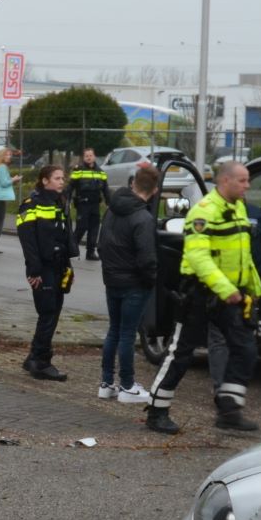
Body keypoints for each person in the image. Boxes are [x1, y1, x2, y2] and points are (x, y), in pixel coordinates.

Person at [142, 160, 261, 435]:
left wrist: (253, 290)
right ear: (225, 181)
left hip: (230, 296)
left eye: (247, 180)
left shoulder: (238, 208)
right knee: (181, 354)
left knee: (245, 349)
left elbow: (243, 257)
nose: (247, 186)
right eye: (242, 180)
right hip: (200, 294)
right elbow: (198, 257)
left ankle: (229, 410)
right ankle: (157, 410)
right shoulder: (204, 212)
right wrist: (226, 289)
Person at [98, 161, 160, 403]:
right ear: (155, 190)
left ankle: (106, 383)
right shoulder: (143, 218)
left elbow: (101, 244)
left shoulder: (112, 209)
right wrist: (151, 280)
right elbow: (147, 258)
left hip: (112, 279)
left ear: (133, 183)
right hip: (134, 283)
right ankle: (127, 386)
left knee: (114, 330)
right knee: (127, 334)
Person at [16, 163, 75, 381]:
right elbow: (28, 242)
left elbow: (63, 237)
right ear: (44, 180)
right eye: (57, 178)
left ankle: (33, 357)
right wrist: (34, 271)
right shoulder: (30, 205)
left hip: (58, 266)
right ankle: (41, 363)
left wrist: (68, 267)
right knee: (48, 314)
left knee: (53, 312)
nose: (62, 182)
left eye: (62, 178)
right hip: (43, 268)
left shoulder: (59, 202)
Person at [66, 147, 110, 261]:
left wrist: (109, 202)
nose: (89, 158)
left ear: (94, 157)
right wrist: (66, 200)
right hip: (83, 204)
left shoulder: (101, 172)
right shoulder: (78, 170)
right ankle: (70, 250)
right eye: (87, 156)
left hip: (95, 204)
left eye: (91, 155)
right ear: (83, 158)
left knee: (94, 229)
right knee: (81, 227)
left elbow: (105, 189)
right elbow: (70, 186)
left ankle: (90, 253)